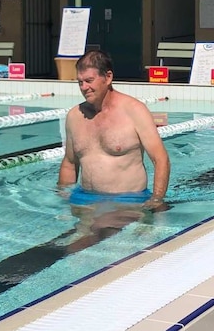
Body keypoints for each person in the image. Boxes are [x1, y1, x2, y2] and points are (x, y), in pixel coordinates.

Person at [57, 50, 170, 250]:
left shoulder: (133, 110)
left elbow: (160, 159)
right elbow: (69, 163)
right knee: (68, 247)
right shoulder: (75, 116)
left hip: (128, 201)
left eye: (89, 80)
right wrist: (63, 199)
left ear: (108, 77)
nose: (84, 87)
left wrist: (156, 200)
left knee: (96, 239)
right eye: (80, 82)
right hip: (85, 198)